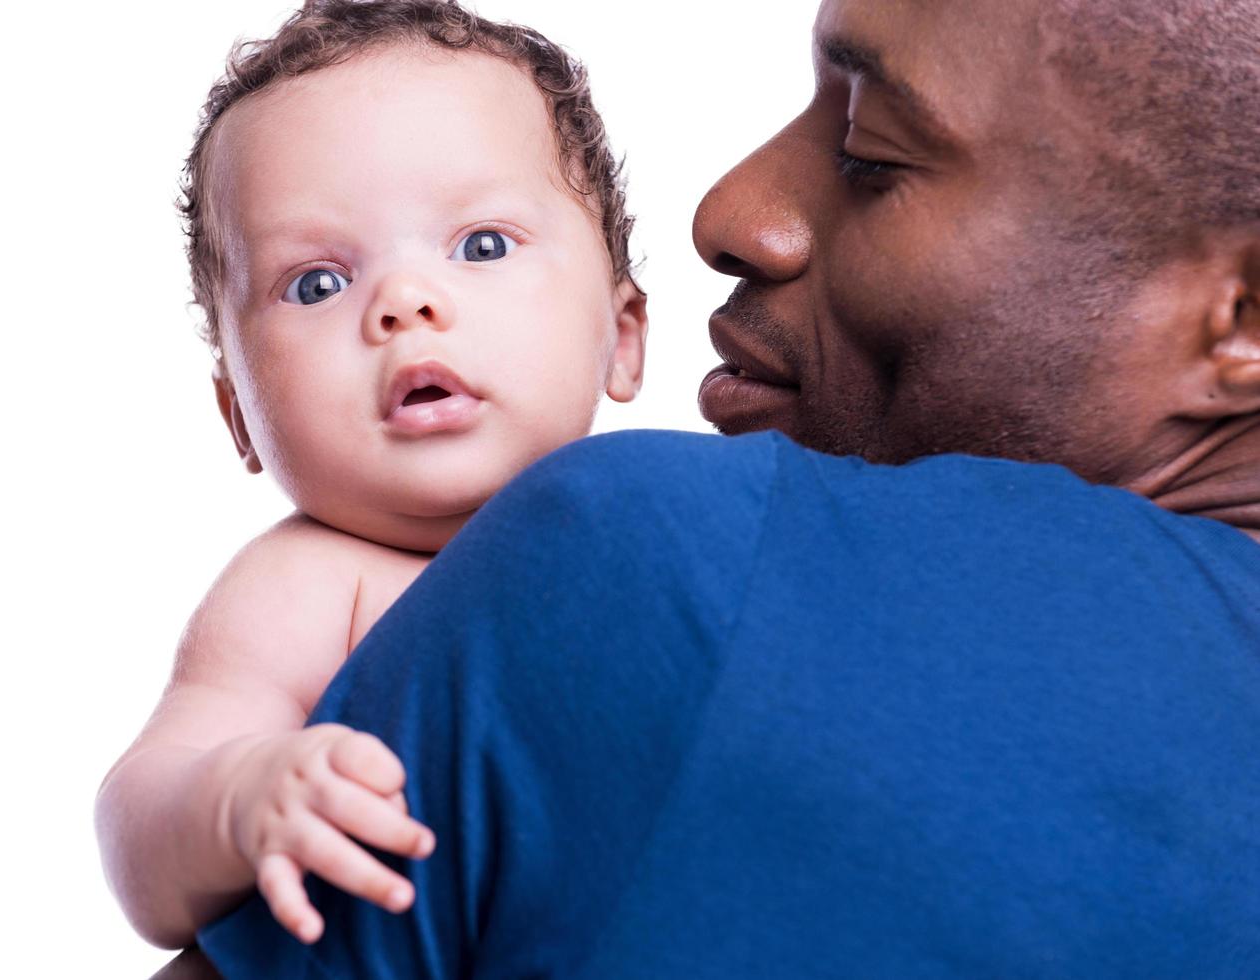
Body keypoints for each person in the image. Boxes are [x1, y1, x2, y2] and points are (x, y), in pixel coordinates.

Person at [196, 0, 1260, 975]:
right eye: (316, 282)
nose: (727, 212)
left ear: (1241, 319)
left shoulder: (647, 560)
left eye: (868, 152)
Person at [94, 0, 648, 951]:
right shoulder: (312, 583)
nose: (403, 303)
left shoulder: (661, 521)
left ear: (623, 335)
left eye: (480, 245)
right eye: (315, 282)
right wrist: (238, 800)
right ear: (240, 418)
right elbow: (141, 825)